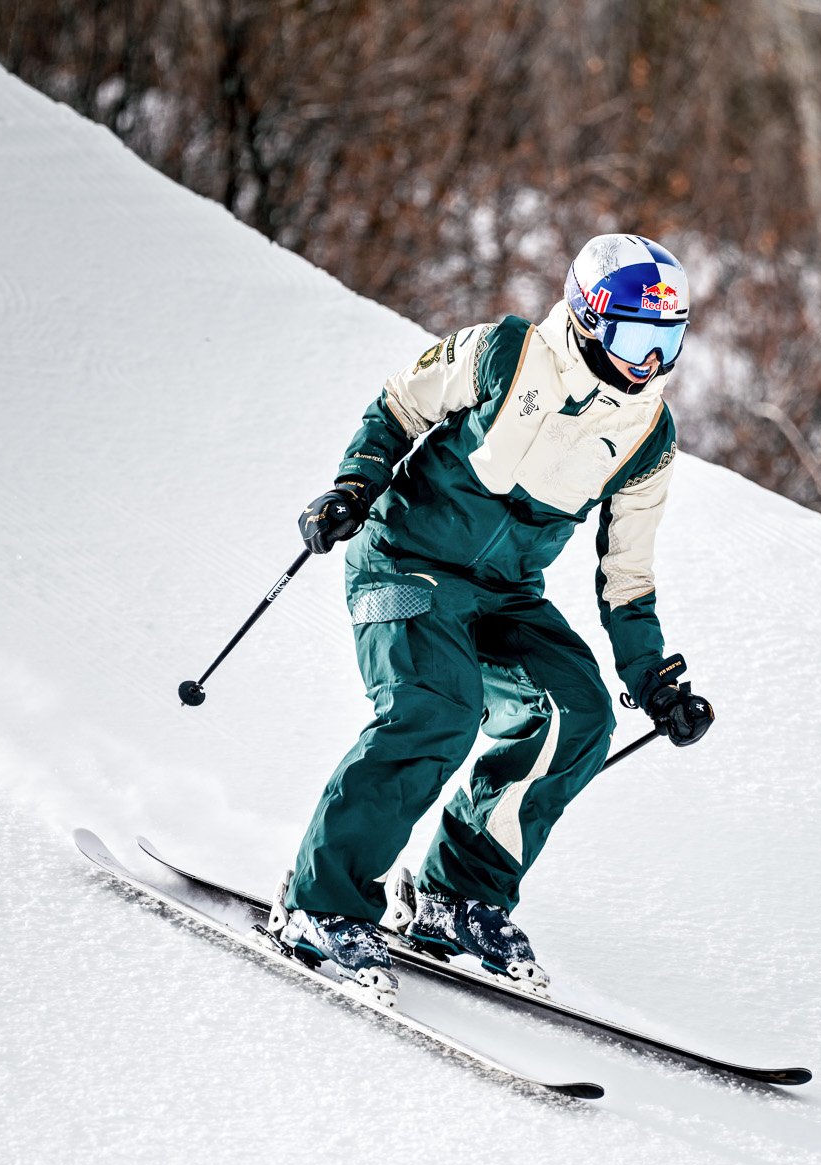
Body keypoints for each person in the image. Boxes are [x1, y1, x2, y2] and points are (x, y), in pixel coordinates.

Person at [271, 234, 715, 1000]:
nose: (649, 363)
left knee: (576, 713)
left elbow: (627, 576)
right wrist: (353, 485)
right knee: (435, 709)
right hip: (402, 557)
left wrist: (654, 679)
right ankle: (320, 902)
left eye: (666, 343)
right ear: (589, 318)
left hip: (503, 592)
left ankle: (457, 893)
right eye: (634, 340)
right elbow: (399, 405)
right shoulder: (505, 355)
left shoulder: (648, 437)